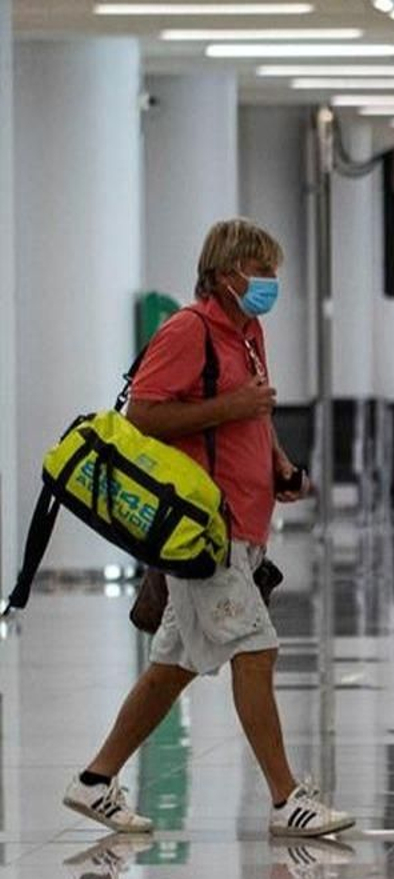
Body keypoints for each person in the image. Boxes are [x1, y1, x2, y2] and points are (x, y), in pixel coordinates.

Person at [64, 219, 352, 838]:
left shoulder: (248, 333)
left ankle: (94, 781)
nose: (270, 282)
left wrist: (279, 467)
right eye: (261, 270)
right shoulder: (188, 330)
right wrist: (230, 407)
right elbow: (142, 415)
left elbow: (256, 413)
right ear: (225, 274)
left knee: (173, 665)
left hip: (244, 523)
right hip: (203, 531)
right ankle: (286, 800)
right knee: (256, 649)